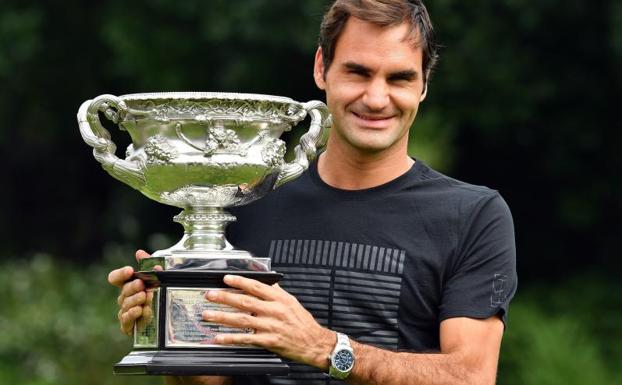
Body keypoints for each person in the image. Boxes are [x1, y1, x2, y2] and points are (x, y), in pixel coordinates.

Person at [108, 1, 517, 384]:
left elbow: (471, 376)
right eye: (358, 72)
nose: (376, 98)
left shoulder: (473, 215)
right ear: (322, 68)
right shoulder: (246, 201)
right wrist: (173, 328)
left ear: (424, 83)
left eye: (399, 78)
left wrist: (324, 348)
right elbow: (211, 380)